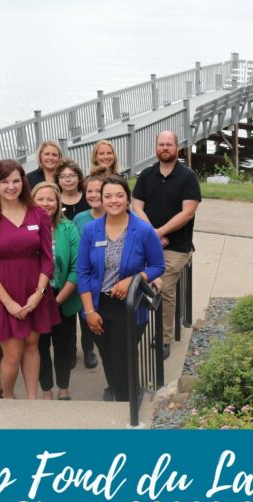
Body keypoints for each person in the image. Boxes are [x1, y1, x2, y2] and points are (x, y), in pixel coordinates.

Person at [0, 159, 60, 400]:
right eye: (4, 181)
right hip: (1, 294)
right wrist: (8, 302)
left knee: (32, 346)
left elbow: (47, 260)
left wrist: (38, 294)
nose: (11, 186)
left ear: (23, 182)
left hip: (33, 292)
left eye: (16, 181)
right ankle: (8, 398)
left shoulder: (38, 214)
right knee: (12, 353)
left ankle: (32, 401)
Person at [78, 176, 165, 403]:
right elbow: (83, 272)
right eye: (108, 196)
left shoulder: (143, 230)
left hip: (130, 305)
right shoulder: (91, 230)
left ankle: (128, 405)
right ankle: (121, 396)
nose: (113, 200)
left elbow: (158, 265)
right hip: (98, 305)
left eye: (119, 195)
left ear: (128, 198)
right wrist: (89, 312)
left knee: (121, 358)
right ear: (101, 199)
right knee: (107, 357)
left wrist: (134, 279)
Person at [131, 131, 201, 360]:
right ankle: (132, 330)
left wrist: (160, 233)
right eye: (161, 144)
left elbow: (188, 212)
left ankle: (163, 337)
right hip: (147, 243)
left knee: (164, 286)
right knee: (131, 280)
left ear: (177, 148)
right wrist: (153, 235)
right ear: (156, 147)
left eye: (169, 144)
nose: (165, 148)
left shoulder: (188, 177)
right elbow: (136, 206)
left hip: (176, 246)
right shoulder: (146, 175)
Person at [32, 182, 81, 400]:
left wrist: (58, 300)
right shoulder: (26, 228)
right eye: (40, 199)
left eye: (50, 199)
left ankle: (63, 389)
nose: (45, 204)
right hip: (35, 299)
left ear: (57, 202)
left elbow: (77, 267)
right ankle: (46, 391)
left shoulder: (68, 228)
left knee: (63, 348)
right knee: (39, 348)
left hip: (63, 297)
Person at [73, 175, 106, 371]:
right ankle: (88, 349)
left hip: (107, 277)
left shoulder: (116, 215)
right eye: (89, 191)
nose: (93, 195)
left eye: (98, 191)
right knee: (85, 315)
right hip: (87, 276)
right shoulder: (80, 218)